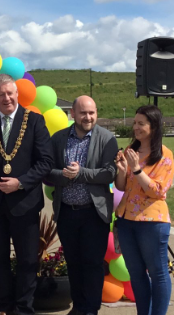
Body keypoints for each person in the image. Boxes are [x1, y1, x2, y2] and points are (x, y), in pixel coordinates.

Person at [0, 74, 54, 315]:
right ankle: (4, 306)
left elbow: (46, 161)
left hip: (24, 203)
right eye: (1, 95)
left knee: (27, 260)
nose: (6, 98)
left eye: (10, 93)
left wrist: (21, 182)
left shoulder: (35, 121)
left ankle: (24, 308)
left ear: (17, 94)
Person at [47, 96, 118, 315]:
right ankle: (78, 307)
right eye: (83, 113)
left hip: (93, 214)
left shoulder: (107, 139)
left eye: (92, 113)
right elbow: (47, 172)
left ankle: (91, 309)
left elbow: (109, 173)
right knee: (74, 263)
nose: (88, 117)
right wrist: (65, 176)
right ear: (73, 115)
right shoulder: (59, 139)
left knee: (93, 264)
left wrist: (80, 174)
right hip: (67, 213)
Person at [115, 105, 174, 315]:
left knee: (158, 273)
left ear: (154, 126)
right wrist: (123, 171)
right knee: (136, 274)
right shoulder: (131, 150)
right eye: (135, 122)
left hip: (152, 222)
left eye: (141, 123)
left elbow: (157, 191)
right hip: (126, 220)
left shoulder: (164, 154)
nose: (136, 127)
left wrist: (137, 169)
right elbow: (123, 187)